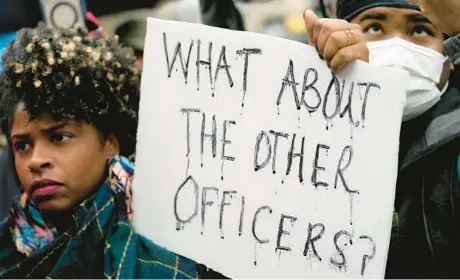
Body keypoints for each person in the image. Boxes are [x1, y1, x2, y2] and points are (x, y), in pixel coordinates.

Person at [0, 24, 198, 279]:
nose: (35, 161)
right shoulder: (9, 249)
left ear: (111, 142)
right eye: (22, 146)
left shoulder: (170, 232)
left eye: (59, 137)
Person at [304, 0, 460, 278]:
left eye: (421, 31)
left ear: (450, 56)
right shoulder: (307, 144)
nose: (397, 46)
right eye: (374, 27)